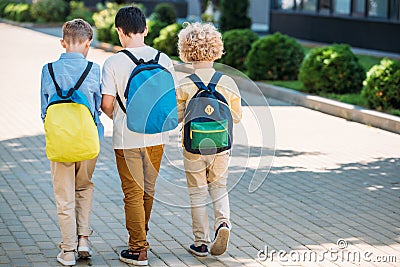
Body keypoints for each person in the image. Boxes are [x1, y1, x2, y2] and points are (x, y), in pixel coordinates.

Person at [101, 6, 176, 266]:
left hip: (127, 137)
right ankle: (141, 237)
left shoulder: (113, 62)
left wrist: (118, 118)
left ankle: (138, 248)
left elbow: (107, 104)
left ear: (120, 32)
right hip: (158, 136)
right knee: (148, 190)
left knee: (132, 193)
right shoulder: (164, 59)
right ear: (145, 29)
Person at [40, 19, 102, 266]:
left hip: (60, 142)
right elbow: (97, 107)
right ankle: (84, 239)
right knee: (84, 187)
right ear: (89, 42)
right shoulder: (94, 69)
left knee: (64, 196)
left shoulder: (48, 69)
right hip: (88, 140)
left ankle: (67, 251)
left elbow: (44, 109)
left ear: (63, 42)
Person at [177, 22, 242, 257]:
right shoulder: (228, 82)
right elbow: (236, 116)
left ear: (186, 51)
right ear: (217, 49)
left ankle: (201, 242)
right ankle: (223, 223)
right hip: (221, 146)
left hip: (193, 146)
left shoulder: (184, 83)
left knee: (197, 192)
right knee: (219, 186)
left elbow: (177, 117)